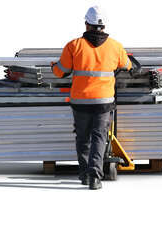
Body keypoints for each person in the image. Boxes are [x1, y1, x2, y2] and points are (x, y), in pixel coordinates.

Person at [51, 6, 132, 190]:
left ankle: (84, 175)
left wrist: (53, 66)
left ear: (87, 24)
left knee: (82, 138)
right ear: (103, 26)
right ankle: (95, 178)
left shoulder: (74, 45)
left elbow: (60, 72)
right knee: (99, 137)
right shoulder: (115, 46)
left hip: (80, 102)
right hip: (103, 102)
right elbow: (128, 65)